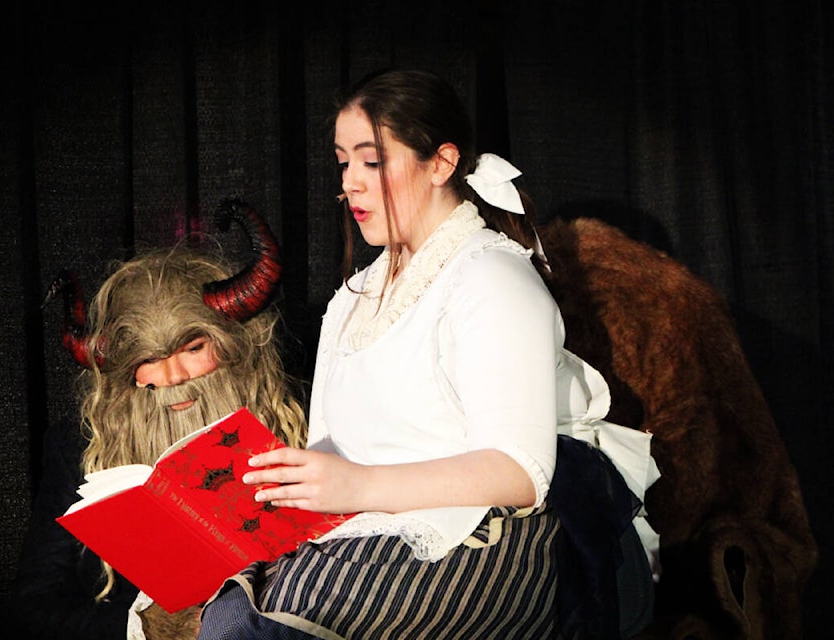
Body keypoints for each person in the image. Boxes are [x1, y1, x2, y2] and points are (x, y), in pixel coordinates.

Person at [145, 68, 660, 640]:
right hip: (365, 532)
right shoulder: (352, 299)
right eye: (343, 163)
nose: (351, 184)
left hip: (487, 537)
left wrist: (357, 485)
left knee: (264, 623)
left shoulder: (490, 277)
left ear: (441, 163)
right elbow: (337, 453)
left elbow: (520, 472)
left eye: (372, 161)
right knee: (205, 604)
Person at [9, 201, 308, 640]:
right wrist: (144, 627)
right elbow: (33, 609)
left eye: (193, 348)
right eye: (149, 359)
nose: (172, 378)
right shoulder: (77, 447)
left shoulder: (303, 419)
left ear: (235, 344)